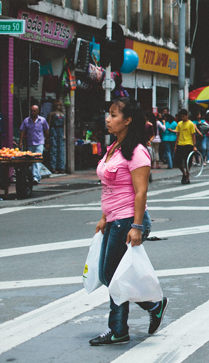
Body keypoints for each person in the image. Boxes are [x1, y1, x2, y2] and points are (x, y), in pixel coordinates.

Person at [91, 98, 167, 346]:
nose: (108, 119)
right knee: (110, 275)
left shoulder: (137, 151)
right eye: (108, 114)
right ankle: (151, 307)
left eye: (113, 115)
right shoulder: (114, 147)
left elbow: (140, 192)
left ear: (128, 120)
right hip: (114, 218)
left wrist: (136, 227)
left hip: (129, 219)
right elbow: (108, 186)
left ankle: (120, 328)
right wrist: (104, 217)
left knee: (111, 275)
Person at [19, 104, 49, 185]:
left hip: (39, 143)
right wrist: (21, 141)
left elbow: (46, 131)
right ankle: (33, 176)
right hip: (30, 143)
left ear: (38, 111)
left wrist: (47, 142)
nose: (32, 112)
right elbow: (22, 131)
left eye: (34, 111)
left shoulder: (42, 120)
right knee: (30, 161)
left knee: (37, 161)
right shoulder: (26, 120)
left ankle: (35, 177)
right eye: (31, 110)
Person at [175, 109, 198, 184]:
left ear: (187, 115)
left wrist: (194, 146)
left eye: (183, 116)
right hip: (180, 144)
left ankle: (187, 176)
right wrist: (176, 145)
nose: (182, 118)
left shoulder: (191, 124)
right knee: (178, 162)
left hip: (188, 144)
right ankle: (184, 173)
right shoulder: (179, 124)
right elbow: (178, 135)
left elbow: (193, 135)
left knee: (188, 162)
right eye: (181, 117)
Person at [47, 101, 67, 174]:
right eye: (57, 105)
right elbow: (48, 124)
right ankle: (53, 167)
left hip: (60, 130)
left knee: (60, 149)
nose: (58, 106)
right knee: (53, 149)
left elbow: (64, 125)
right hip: (54, 130)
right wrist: (48, 133)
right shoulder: (52, 114)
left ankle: (61, 167)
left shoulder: (62, 114)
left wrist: (64, 134)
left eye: (59, 105)